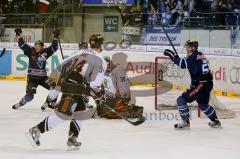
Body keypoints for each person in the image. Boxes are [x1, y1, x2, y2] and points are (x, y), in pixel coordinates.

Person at [27, 34, 107, 148]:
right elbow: (96, 83)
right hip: (76, 87)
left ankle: (73, 137)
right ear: (101, 45)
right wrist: (99, 95)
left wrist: (54, 77)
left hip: (69, 83)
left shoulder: (81, 52)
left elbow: (63, 64)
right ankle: (36, 130)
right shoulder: (101, 60)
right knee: (63, 114)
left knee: (80, 113)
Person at [164, 40, 221, 129]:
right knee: (202, 104)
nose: (186, 48)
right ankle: (215, 121)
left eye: (187, 47)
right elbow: (191, 65)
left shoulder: (193, 56)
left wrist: (173, 56)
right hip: (207, 83)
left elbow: (183, 64)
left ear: (192, 48)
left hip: (201, 85)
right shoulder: (200, 54)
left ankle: (185, 122)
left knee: (181, 100)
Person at [12, 28, 59, 109]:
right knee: (29, 96)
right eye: (36, 45)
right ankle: (20, 104)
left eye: (39, 45)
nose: (36, 47)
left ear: (42, 46)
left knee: (56, 87)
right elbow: (22, 44)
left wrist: (55, 37)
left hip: (43, 78)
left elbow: (54, 47)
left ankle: (50, 103)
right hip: (32, 78)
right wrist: (19, 35)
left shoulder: (45, 52)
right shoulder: (30, 51)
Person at [40, 40, 89, 111]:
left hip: (69, 74)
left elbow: (64, 64)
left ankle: (47, 102)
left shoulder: (77, 53)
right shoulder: (87, 54)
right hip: (73, 75)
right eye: (83, 46)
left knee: (59, 88)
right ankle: (81, 103)